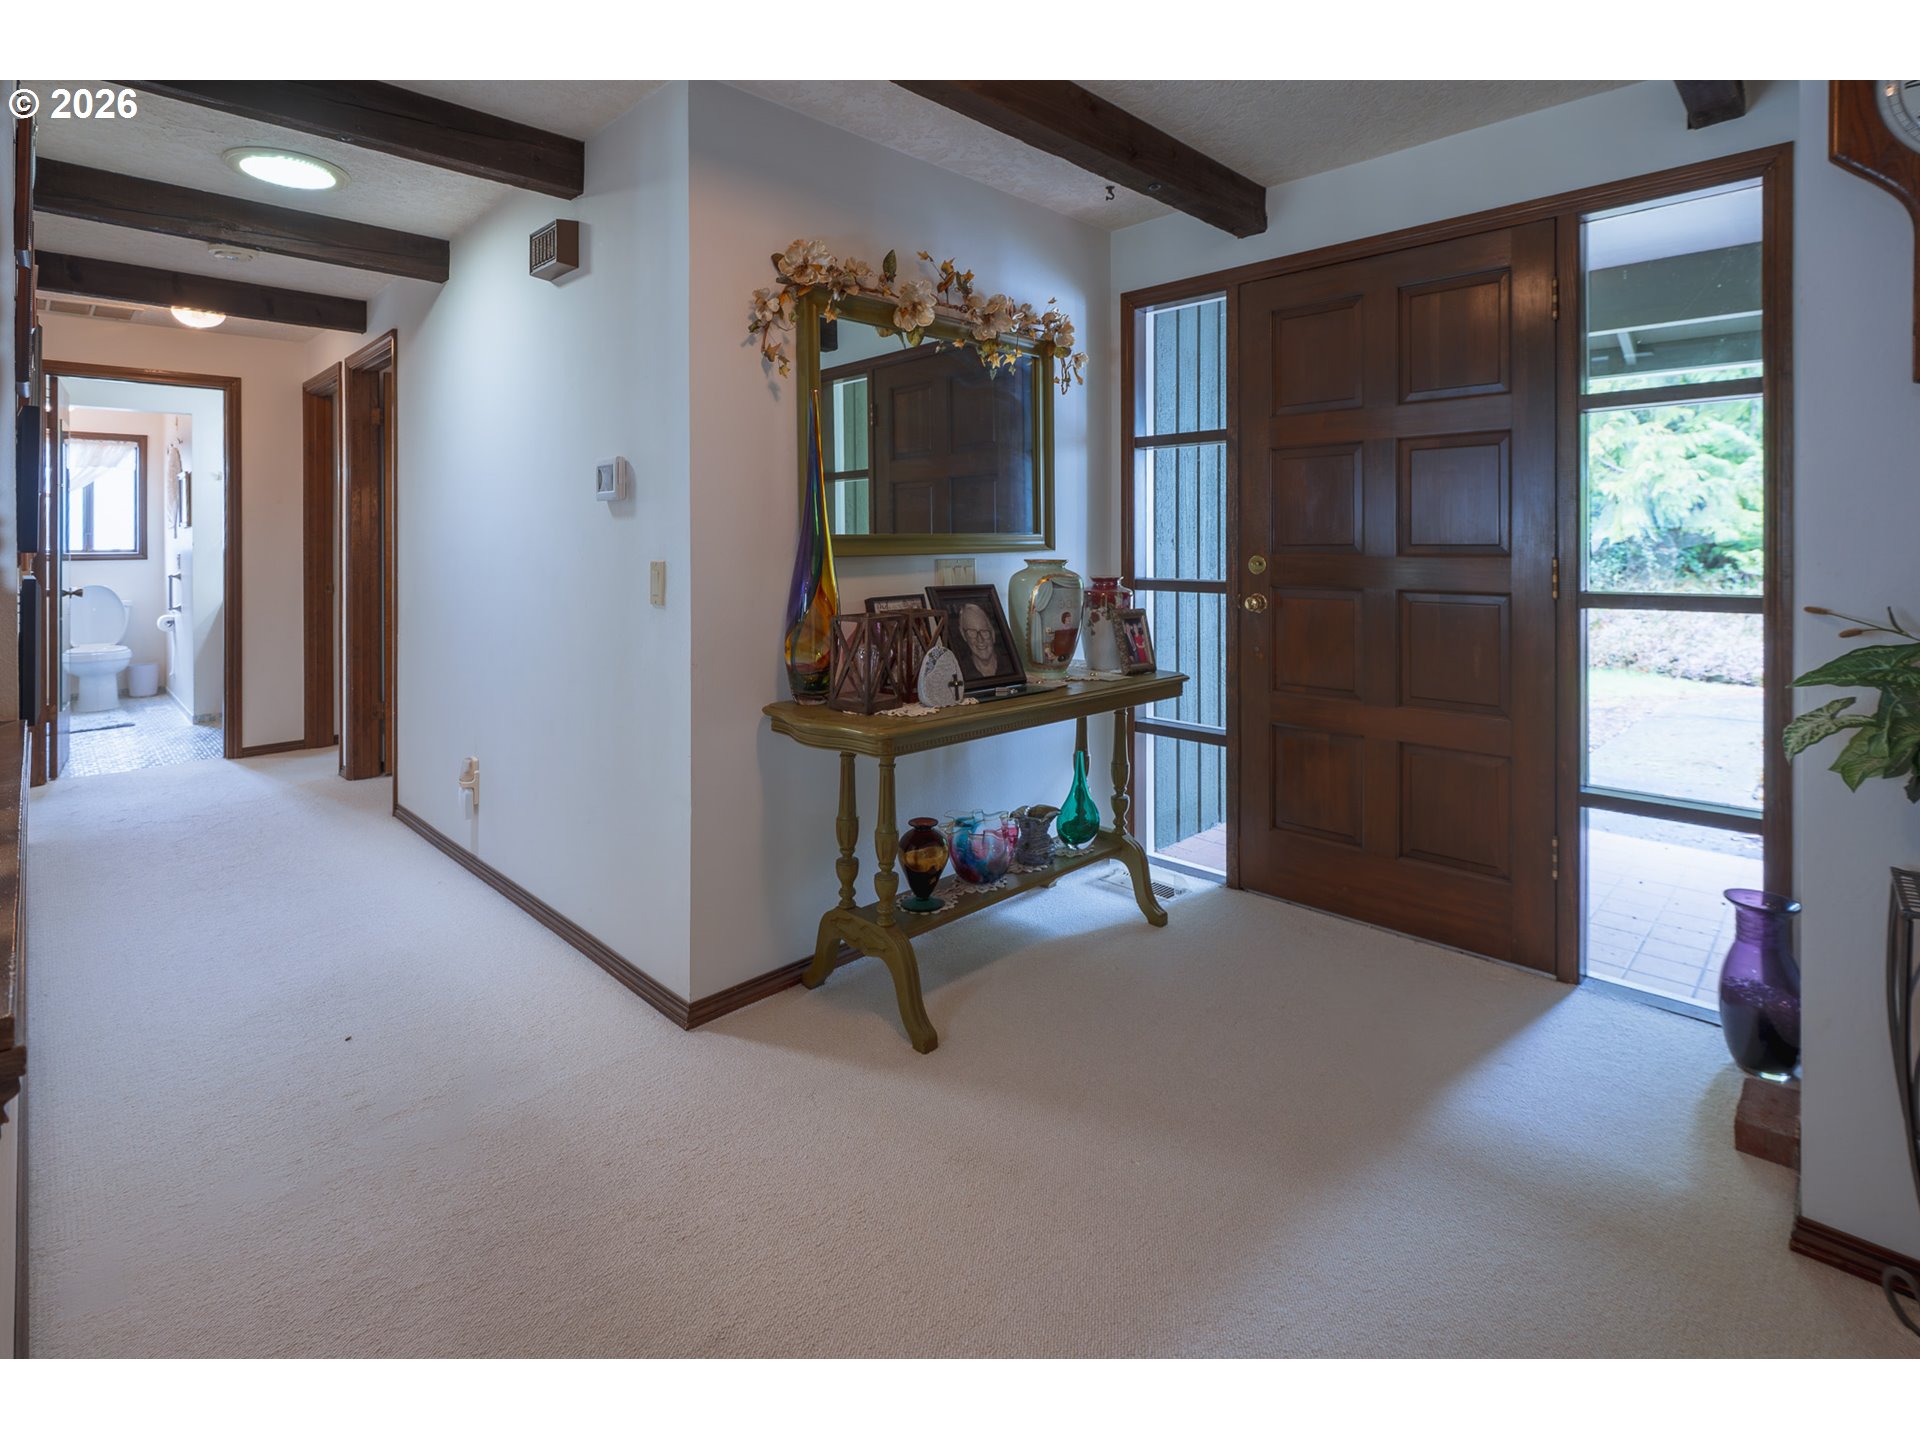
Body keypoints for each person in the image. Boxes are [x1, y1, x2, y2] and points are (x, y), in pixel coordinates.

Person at [953, 600, 1004, 682]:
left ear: (993, 633)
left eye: (984, 631)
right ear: (963, 635)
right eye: (971, 632)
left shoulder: (1012, 667)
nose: (980, 639)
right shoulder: (960, 673)